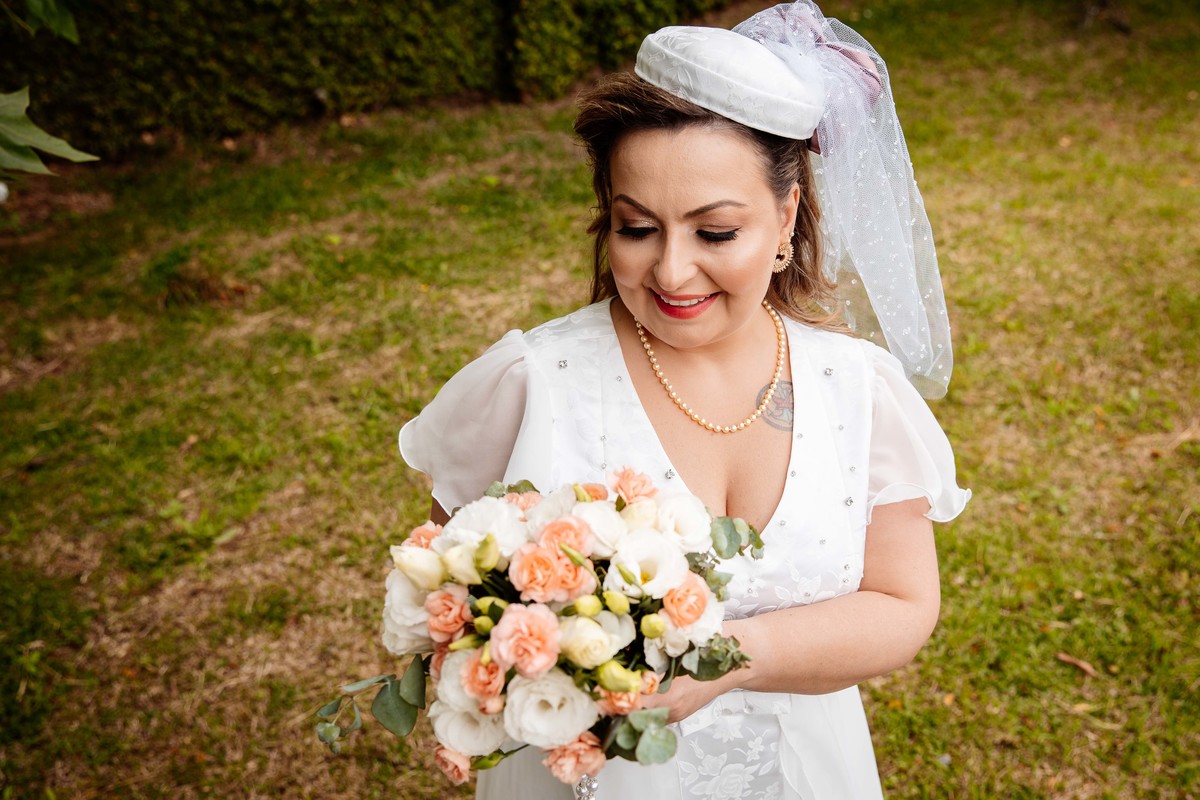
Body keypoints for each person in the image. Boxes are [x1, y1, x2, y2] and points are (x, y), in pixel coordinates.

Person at [399, 2, 970, 797]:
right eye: (637, 228)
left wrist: (733, 660)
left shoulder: (856, 390)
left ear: (784, 219)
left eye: (714, 232)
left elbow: (903, 603)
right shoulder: (533, 383)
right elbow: (451, 579)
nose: (670, 272)